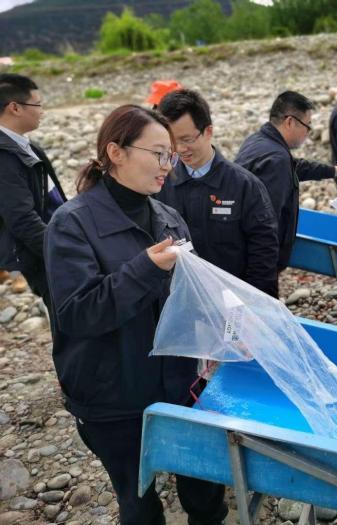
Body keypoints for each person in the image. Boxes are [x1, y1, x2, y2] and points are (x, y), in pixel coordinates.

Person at [44, 105, 227, 525]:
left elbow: (192, 297)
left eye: (172, 156)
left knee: (204, 488)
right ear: (116, 152)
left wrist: (222, 327)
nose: (168, 166)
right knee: (139, 500)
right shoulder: (71, 225)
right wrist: (144, 267)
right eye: (159, 153)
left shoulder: (168, 217)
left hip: (180, 384)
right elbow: (77, 314)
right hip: (114, 397)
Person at [156, 89, 280, 297]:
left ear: (208, 131)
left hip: (232, 300)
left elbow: (264, 254)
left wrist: (251, 305)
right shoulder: (161, 183)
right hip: (182, 297)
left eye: (187, 139)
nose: (180, 149)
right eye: (172, 142)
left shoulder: (244, 186)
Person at [235, 91, 337, 273]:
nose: (308, 132)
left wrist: (336, 170)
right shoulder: (277, 159)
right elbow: (266, 223)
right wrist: (265, 274)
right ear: (290, 122)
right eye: (308, 126)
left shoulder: (258, 141)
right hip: (253, 259)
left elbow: (295, 167)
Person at [0, 73, 66, 307]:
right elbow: (22, 219)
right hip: (44, 256)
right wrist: (62, 251)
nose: (42, 111)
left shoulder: (27, 146)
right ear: (15, 108)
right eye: (37, 104)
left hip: (55, 244)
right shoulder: (4, 156)